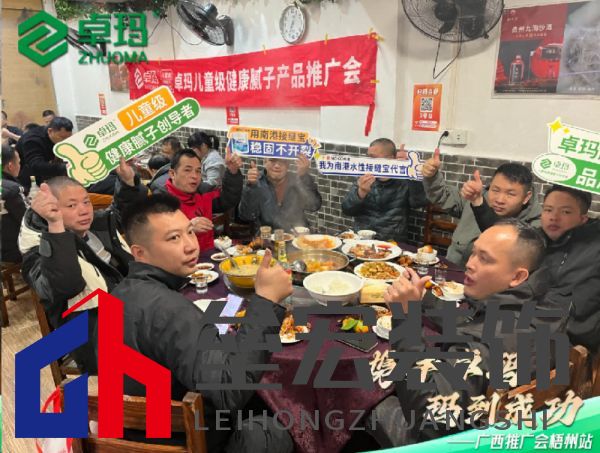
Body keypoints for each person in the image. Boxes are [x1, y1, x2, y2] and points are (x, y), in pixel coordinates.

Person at [115, 194, 294, 452]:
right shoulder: (168, 309)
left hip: (133, 434)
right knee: (275, 427)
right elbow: (230, 391)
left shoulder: (120, 293)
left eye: (189, 232)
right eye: (173, 238)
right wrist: (266, 300)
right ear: (139, 253)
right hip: (182, 441)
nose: (190, 246)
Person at [374, 220, 567, 445]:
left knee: (368, 395)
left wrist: (406, 318)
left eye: (484, 259)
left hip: (458, 439)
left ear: (517, 277)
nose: (469, 264)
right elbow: (472, 322)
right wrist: (424, 301)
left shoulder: (486, 343)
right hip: (510, 418)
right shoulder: (548, 303)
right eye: (473, 252)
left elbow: (429, 417)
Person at [19, 159, 148, 373]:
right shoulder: (37, 252)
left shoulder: (92, 226)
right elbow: (65, 286)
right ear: (51, 209)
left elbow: (124, 215)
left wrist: (128, 183)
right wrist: (55, 226)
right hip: (95, 337)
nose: (84, 210)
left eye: (86, 202)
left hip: (133, 309)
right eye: (71, 205)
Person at [465, 183, 600, 353]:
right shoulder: (539, 240)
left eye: (566, 212)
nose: (554, 217)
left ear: (583, 218)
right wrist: (478, 202)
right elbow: (505, 239)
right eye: (548, 209)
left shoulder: (593, 249)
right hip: (522, 328)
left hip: (566, 344)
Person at [421, 149, 541, 266]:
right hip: (451, 270)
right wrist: (432, 176)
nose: (500, 200)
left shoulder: (534, 225)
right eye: (495, 190)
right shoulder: (478, 197)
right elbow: (443, 196)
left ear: (526, 197)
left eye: (510, 194)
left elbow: (500, 238)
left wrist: (479, 204)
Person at [341, 138, 428, 242]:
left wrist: (411, 174)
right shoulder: (364, 176)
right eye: (367, 156)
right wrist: (361, 193)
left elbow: (419, 203)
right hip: (362, 239)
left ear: (390, 159)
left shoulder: (405, 180)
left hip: (392, 241)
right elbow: (347, 210)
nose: (368, 161)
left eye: (372, 157)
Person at [155, 148, 243, 249]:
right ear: (172, 174)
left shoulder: (203, 191)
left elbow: (228, 200)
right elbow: (158, 239)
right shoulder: (160, 200)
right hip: (179, 256)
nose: (194, 176)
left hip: (208, 253)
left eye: (198, 171)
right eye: (187, 170)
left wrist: (232, 171)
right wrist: (188, 228)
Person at [238, 154, 322, 232]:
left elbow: (314, 206)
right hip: (266, 238)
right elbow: (246, 216)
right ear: (265, 162)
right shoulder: (257, 182)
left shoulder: (297, 180)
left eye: (282, 161)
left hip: (296, 238)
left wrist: (304, 176)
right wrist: (251, 187)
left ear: (288, 164)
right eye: (272, 160)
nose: (277, 166)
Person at [16, 116, 73, 192]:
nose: (65, 141)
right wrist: (63, 167)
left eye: (68, 138)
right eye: (62, 137)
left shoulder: (57, 138)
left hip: (47, 171)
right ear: (50, 131)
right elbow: (36, 165)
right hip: (26, 175)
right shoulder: (33, 140)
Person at [1, 144, 28, 263]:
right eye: (19, 163)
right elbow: (27, 219)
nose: (20, 166)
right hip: (11, 251)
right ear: (10, 166)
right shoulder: (12, 189)